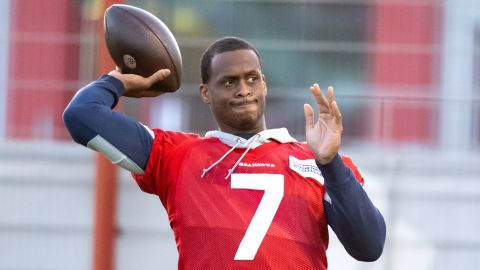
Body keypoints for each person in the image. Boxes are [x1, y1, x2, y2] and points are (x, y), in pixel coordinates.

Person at [63, 37, 385, 269]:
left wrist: (329, 162)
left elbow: (369, 247)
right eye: (229, 82)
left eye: (251, 79)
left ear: (264, 85)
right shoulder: (176, 156)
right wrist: (116, 82)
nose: (243, 89)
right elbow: (81, 115)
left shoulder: (313, 160)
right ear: (206, 93)